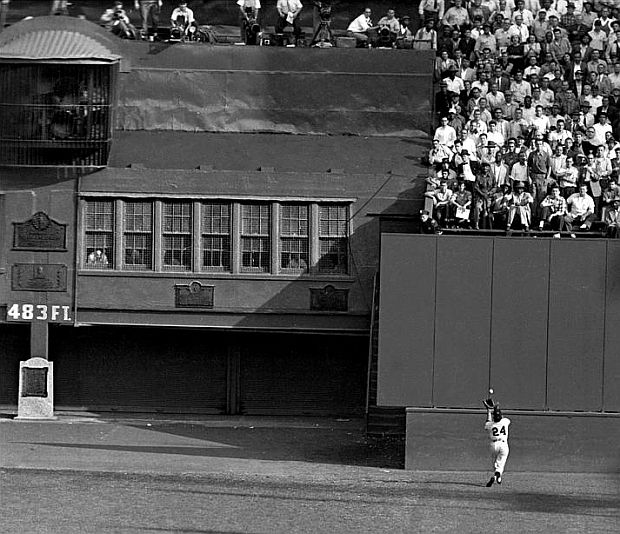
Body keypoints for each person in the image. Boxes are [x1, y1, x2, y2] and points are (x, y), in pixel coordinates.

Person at [484, 402, 511, 487]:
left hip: (494, 445)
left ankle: (498, 477)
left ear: (493, 417)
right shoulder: (505, 421)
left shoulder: (490, 424)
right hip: (503, 444)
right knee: (501, 462)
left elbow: (488, 421)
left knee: (496, 463)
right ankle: (497, 476)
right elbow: (501, 417)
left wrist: (489, 411)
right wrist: (496, 407)